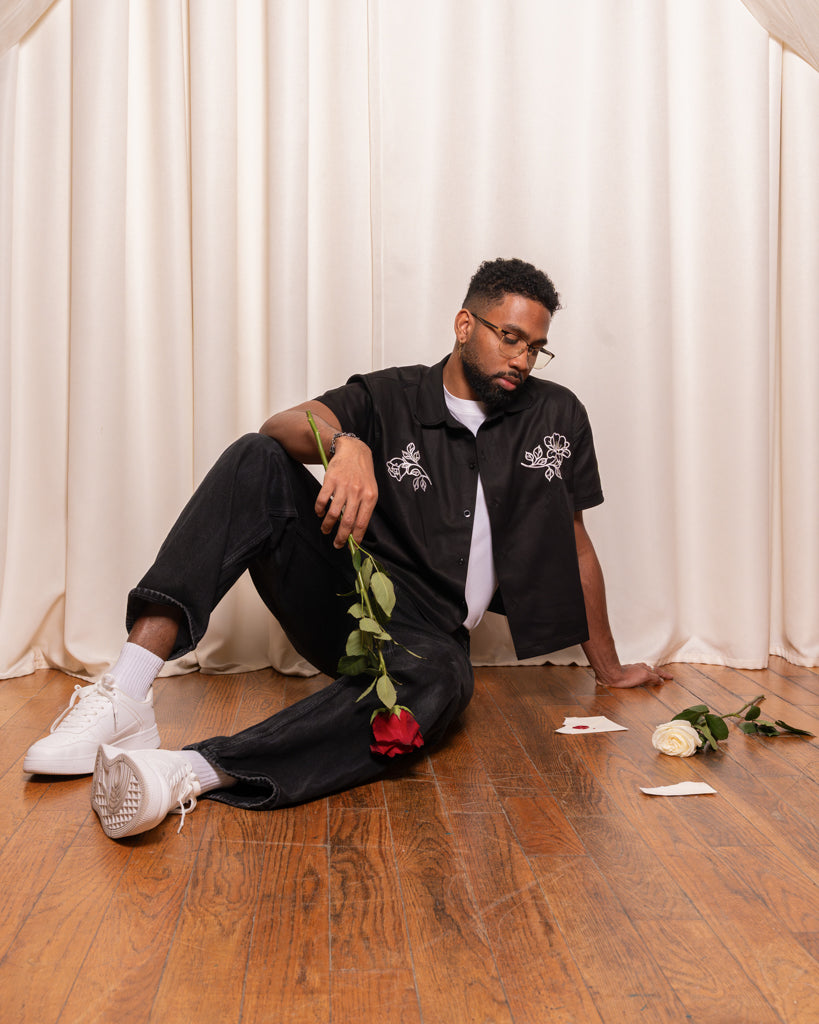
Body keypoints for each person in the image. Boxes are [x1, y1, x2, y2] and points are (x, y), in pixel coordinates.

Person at [24, 257, 670, 839]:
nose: (522, 360)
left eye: (535, 348)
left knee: (438, 684)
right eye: (509, 337)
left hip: (428, 633)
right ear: (464, 323)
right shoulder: (389, 395)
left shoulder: (556, 415)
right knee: (256, 457)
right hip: (346, 598)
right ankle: (127, 692)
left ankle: (188, 772)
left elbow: (574, 543)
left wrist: (608, 669)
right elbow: (280, 425)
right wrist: (345, 444)